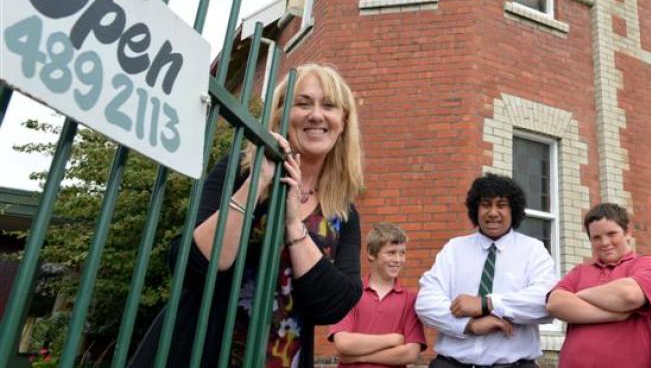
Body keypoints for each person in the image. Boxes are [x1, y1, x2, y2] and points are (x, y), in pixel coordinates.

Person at [129, 63, 364, 368]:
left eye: (329, 106)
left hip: (283, 357)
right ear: (280, 114)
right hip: (200, 351)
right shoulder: (238, 172)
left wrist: (293, 225)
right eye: (303, 103)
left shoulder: (342, 212)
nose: (316, 115)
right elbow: (192, 267)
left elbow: (335, 304)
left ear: (343, 121)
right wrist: (255, 187)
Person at [416, 174, 558, 368]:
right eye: (485, 204)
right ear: (476, 208)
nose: (492, 212)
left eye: (501, 205)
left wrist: (488, 303)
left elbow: (546, 302)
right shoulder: (454, 249)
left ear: (513, 210)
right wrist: (469, 325)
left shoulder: (533, 250)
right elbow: (426, 303)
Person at [546, 203, 651, 368]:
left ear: (628, 233)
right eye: (596, 237)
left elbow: (629, 295)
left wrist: (577, 296)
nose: (605, 242)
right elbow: (554, 303)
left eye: (612, 234)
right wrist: (614, 314)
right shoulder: (580, 271)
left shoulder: (646, 265)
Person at [329, 222, 427, 367]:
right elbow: (344, 343)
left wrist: (359, 357)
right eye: (391, 252)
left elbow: (411, 353)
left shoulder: (410, 300)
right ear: (370, 253)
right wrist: (393, 339)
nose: (398, 259)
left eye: (402, 253)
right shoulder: (350, 292)